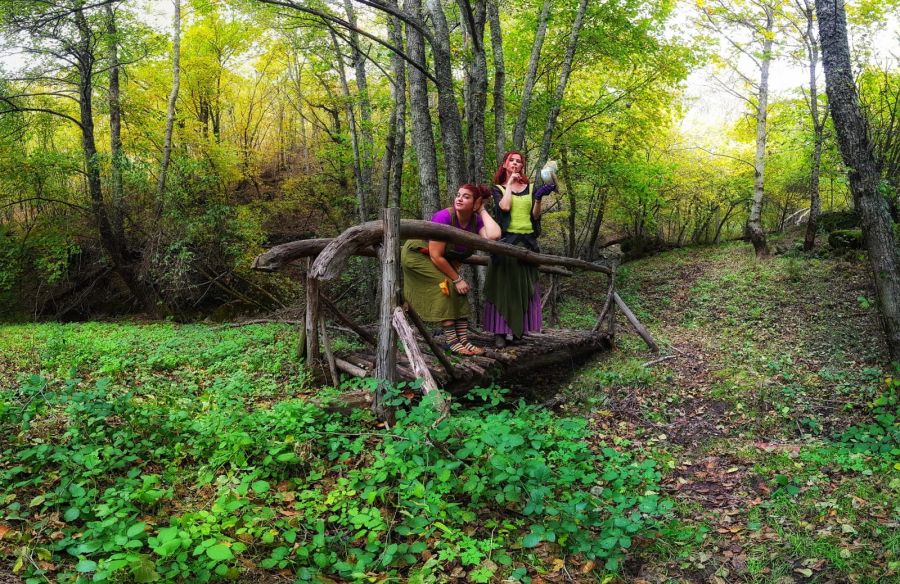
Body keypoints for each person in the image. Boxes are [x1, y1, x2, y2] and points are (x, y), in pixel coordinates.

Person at [401, 184, 501, 355]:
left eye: (466, 196)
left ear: (476, 202)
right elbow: (436, 255)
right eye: (458, 195)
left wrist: (482, 210)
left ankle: (464, 341)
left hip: (437, 259)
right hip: (417, 256)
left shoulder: (475, 221)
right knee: (446, 285)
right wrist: (457, 279)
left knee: (459, 291)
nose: (459, 199)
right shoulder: (444, 217)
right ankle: (452, 342)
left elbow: (494, 236)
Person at [483, 151, 557, 348]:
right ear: (505, 165)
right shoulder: (497, 188)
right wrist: (509, 184)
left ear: (522, 166)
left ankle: (519, 331)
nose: (515, 163)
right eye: (511, 160)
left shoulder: (531, 187)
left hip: (528, 243)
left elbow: (536, 216)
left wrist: (539, 199)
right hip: (507, 242)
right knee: (503, 287)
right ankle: (500, 332)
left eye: (519, 161)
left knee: (524, 287)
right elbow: (504, 207)